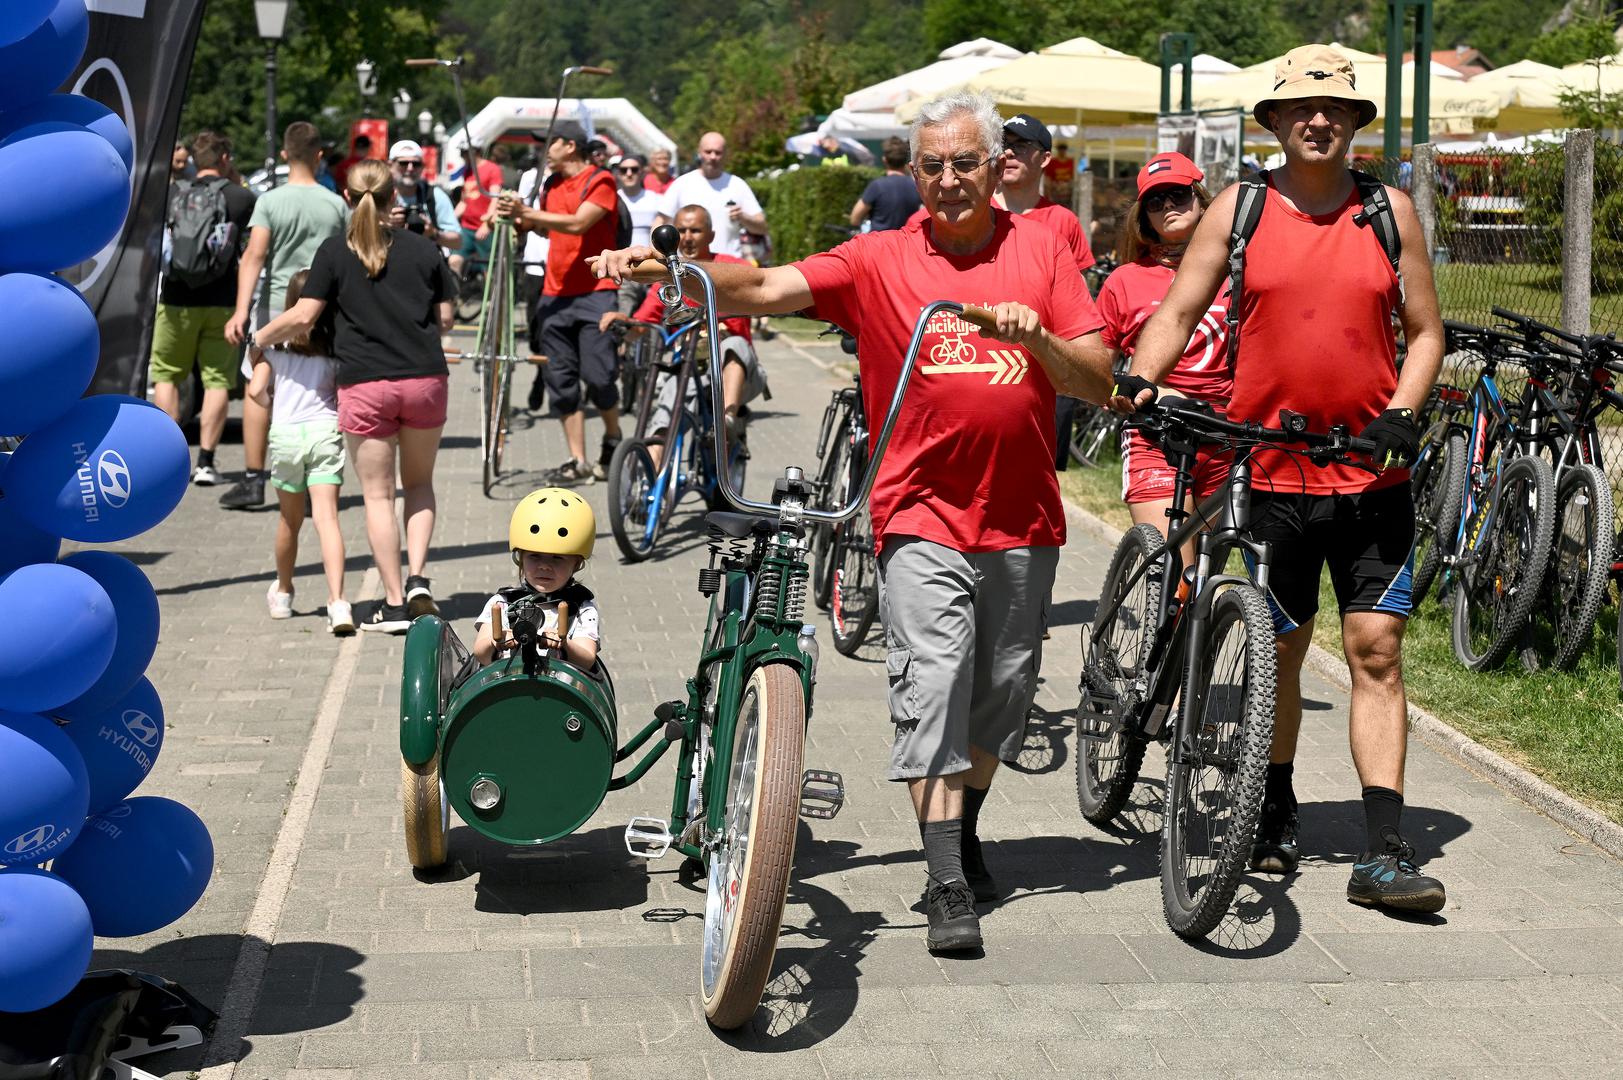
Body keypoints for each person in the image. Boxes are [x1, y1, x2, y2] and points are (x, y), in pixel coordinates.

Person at [595, 88, 1114, 955]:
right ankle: (944, 878)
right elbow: (767, 285)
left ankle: (962, 831)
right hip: (917, 510)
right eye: (932, 165)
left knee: (1002, 694)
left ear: (996, 168)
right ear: (915, 173)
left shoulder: (1043, 248)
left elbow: (1096, 378)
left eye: (964, 163)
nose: (947, 179)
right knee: (932, 681)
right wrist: (675, 274)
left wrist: (1038, 342)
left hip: (1021, 516)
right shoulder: (879, 257)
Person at [1111, 45, 1447, 913]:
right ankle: (1272, 805)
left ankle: (1382, 850)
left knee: (1376, 649)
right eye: (1299, 107)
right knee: (1281, 654)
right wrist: (1140, 380)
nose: (1317, 120)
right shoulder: (1242, 206)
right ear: (1273, 121)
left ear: (1354, 123)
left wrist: (1402, 412)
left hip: (1370, 477)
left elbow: (1424, 332)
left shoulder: (1387, 211)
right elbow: (1178, 309)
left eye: (1333, 109)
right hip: (1269, 476)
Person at [250, 159, 459, 632]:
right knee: (419, 484)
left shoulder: (333, 252)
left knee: (378, 496)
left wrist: (258, 338)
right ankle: (419, 579)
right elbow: (445, 319)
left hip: (365, 384)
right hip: (424, 379)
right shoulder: (425, 249)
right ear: (393, 197)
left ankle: (394, 603)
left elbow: (304, 316)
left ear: (347, 197)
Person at [1097, 152, 1231, 567]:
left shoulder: (1238, 273)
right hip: (1156, 433)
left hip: (1227, 434)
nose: (1168, 206)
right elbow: (1096, 365)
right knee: (1174, 573)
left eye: (1179, 195)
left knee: (1206, 574)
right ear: (1144, 218)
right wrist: (1120, 390)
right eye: (1155, 202)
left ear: (1203, 201)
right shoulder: (1124, 280)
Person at [223, 121, 348, 510]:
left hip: (276, 306)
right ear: (319, 156)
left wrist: (240, 310)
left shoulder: (270, 201)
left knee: (257, 384)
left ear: (284, 155)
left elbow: (255, 256)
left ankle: (253, 478)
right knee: (317, 387)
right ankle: (314, 479)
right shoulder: (335, 204)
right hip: (322, 308)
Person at [495, 121, 623, 484]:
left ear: (570, 146)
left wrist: (528, 213)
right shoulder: (550, 184)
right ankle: (577, 459)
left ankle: (613, 436)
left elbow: (578, 223)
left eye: (549, 144)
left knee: (598, 377)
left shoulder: (600, 180)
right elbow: (544, 228)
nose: (543, 150)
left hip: (596, 292)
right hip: (555, 293)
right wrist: (517, 216)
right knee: (561, 381)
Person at [599, 204, 768, 465]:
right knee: (669, 401)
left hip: (736, 372)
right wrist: (624, 323)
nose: (687, 237)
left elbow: (764, 290)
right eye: (681, 231)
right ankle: (648, 479)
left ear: (711, 235)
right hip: (691, 369)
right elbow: (643, 323)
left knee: (733, 344)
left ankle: (727, 423)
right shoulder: (669, 277)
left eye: (696, 230)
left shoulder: (735, 266)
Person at [245, 269, 352, 635]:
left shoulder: (273, 350)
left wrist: (272, 403)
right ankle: (338, 602)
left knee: (289, 521)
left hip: (286, 436)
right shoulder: (335, 349)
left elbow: (255, 391)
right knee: (327, 519)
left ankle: (284, 592)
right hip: (324, 432)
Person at [150, 131, 256, 487]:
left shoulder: (172, 193)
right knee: (217, 381)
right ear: (224, 158)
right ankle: (206, 464)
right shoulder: (240, 197)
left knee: (167, 375)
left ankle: (168, 459)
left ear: (195, 159)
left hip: (175, 300)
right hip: (223, 302)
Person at [994, 114, 1095, 473]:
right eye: (1004, 145)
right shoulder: (976, 214)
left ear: (1045, 158)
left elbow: (1077, 298)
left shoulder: (1062, 221)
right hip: (986, 358)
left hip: (1045, 366)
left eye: (1021, 146)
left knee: (1041, 473)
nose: (1009, 153)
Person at [472, 488, 602, 670]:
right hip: (507, 683)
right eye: (534, 556)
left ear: (577, 563)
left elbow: (587, 659)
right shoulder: (501, 603)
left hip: (560, 686)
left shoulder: (581, 608)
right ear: (520, 558)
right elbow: (480, 653)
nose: (544, 566)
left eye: (557, 558)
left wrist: (565, 644)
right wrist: (496, 640)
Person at [653, 131, 766, 259]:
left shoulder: (737, 185)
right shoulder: (682, 183)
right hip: (688, 265)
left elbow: (762, 227)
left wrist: (743, 217)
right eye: (708, 152)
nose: (713, 157)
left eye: (718, 152)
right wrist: (658, 255)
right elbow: (660, 222)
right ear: (699, 152)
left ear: (725, 154)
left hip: (728, 264)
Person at [387, 139, 459, 259]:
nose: (410, 168)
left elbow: (457, 242)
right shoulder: (380, 195)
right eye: (403, 163)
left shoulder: (434, 195)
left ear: (422, 167)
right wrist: (386, 224)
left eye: (416, 164)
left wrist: (433, 234)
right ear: (390, 165)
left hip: (425, 262)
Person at [614, 153, 662, 316]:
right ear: (618, 173)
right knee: (623, 318)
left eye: (634, 169)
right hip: (623, 270)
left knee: (651, 318)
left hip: (652, 269)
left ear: (642, 172)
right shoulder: (613, 199)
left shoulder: (657, 200)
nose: (629, 173)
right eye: (624, 170)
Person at [849, 136, 922, 232]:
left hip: (879, 239)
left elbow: (855, 219)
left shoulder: (877, 186)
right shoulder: (916, 185)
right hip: (906, 239)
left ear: (884, 160)